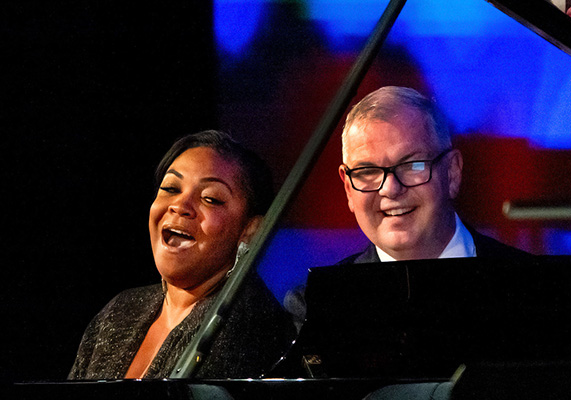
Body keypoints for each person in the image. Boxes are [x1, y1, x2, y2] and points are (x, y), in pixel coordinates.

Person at [284, 86, 528, 329]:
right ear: (348, 188)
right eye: (367, 171)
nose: (390, 189)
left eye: (412, 165)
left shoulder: (532, 288)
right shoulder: (316, 309)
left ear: (452, 172)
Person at [68, 130, 295, 380]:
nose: (179, 205)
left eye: (211, 199)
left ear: (251, 230)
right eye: (170, 188)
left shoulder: (256, 329)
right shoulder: (120, 311)